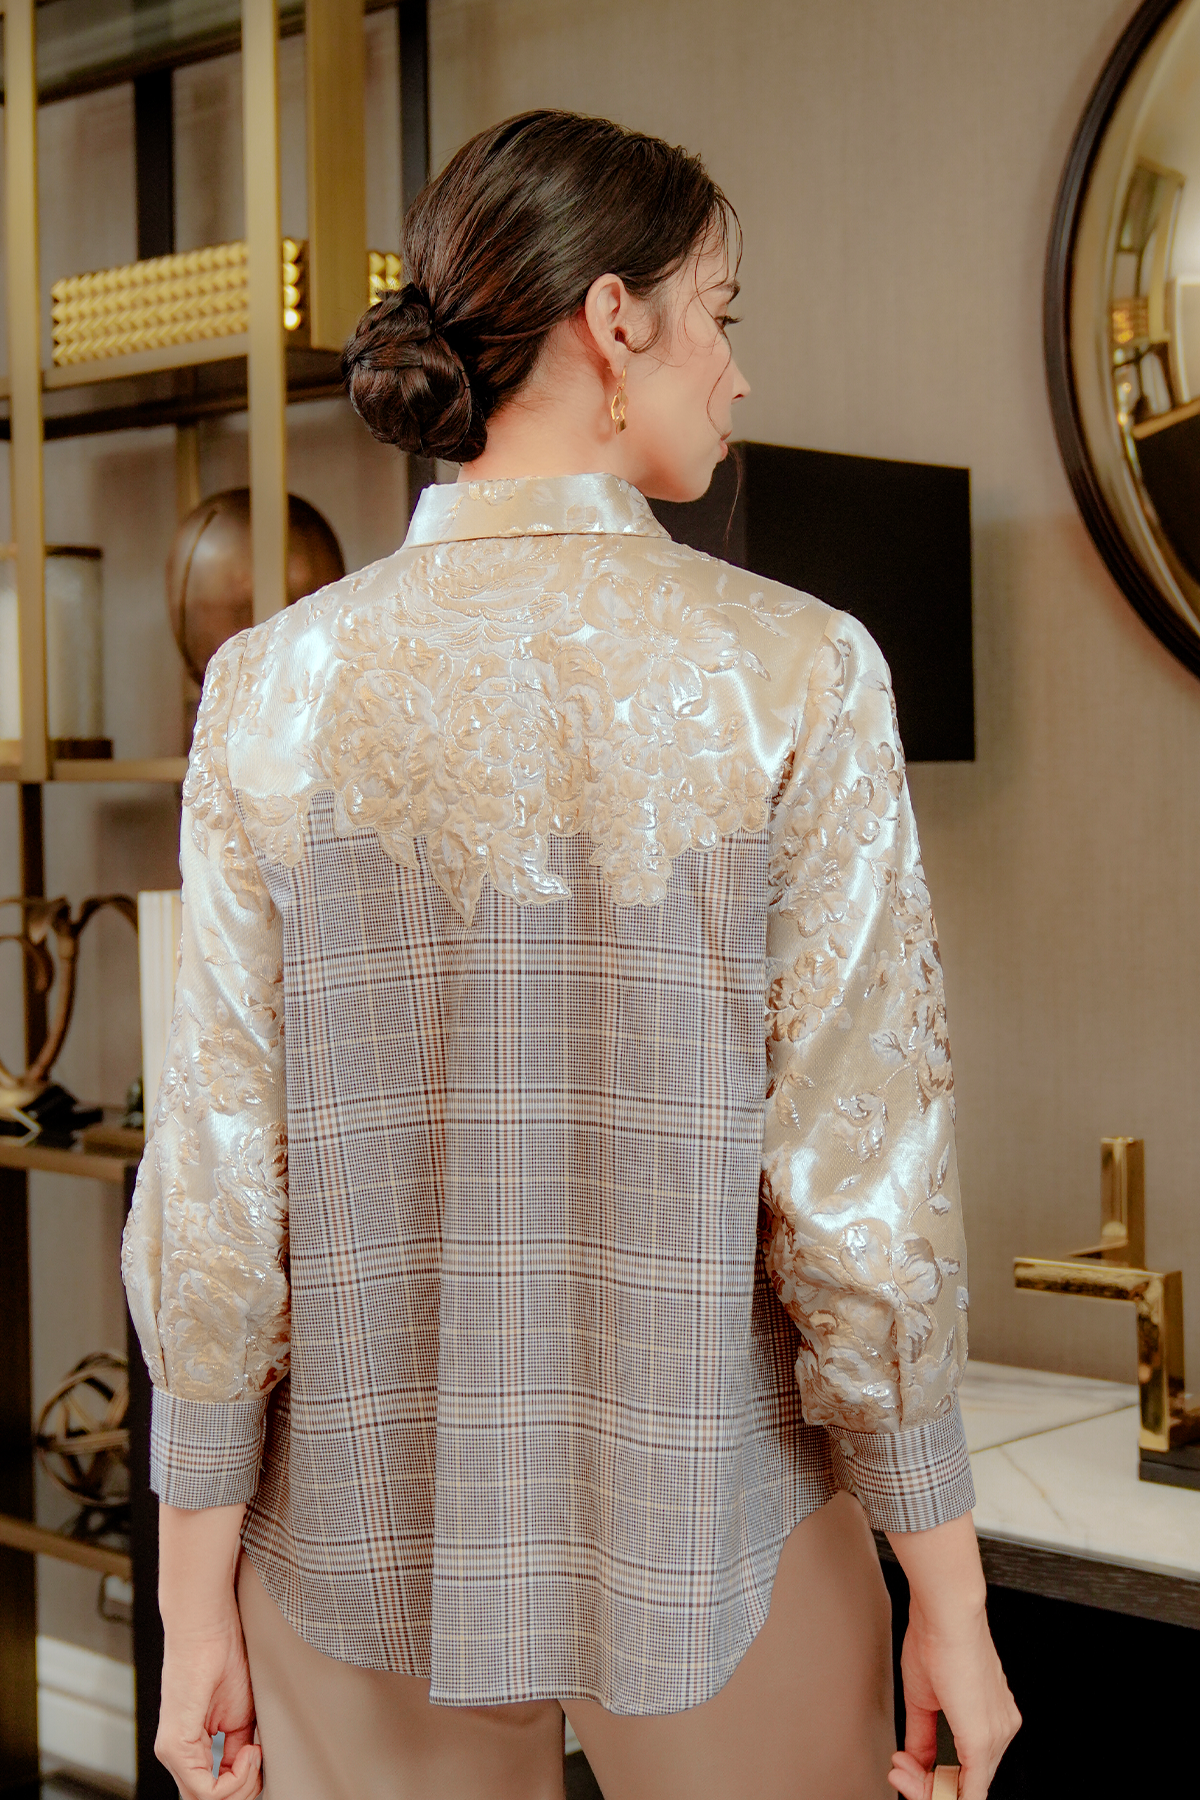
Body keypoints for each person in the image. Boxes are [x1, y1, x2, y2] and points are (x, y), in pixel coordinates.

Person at [122, 110, 1019, 1800]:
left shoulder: (266, 687)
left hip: (349, 1545)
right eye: (720, 315)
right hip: (728, 1531)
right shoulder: (802, 671)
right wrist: (951, 1600)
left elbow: (220, 1196)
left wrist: (191, 1600)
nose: (737, 374)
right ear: (615, 321)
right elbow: (861, 1193)